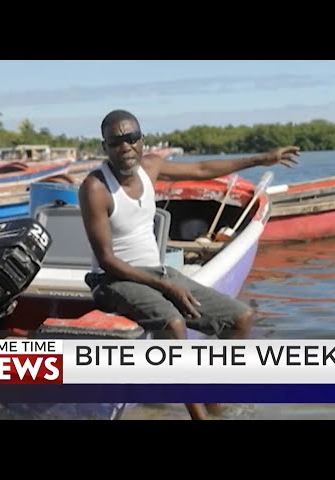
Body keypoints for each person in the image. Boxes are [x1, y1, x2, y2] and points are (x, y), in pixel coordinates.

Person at [79, 109, 300, 420]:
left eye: (131, 139)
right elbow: (106, 259)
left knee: (242, 318)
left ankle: (214, 403)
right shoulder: (95, 188)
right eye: (116, 142)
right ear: (105, 148)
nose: (126, 147)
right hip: (111, 280)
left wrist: (262, 159)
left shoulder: (150, 167)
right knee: (174, 324)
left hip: (155, 273)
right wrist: (167, 285)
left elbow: (202, 167)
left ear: (142, 141)